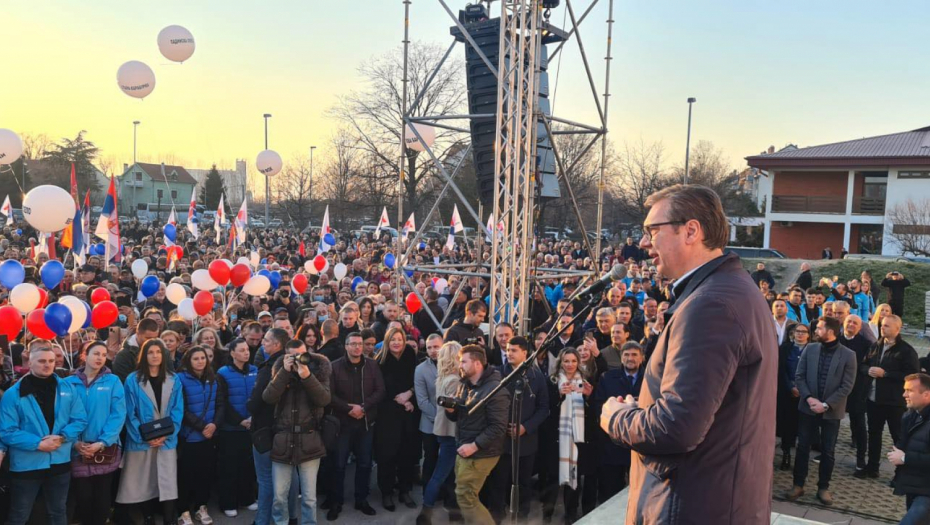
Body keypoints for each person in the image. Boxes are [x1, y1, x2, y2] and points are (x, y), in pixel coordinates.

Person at [600, 184, 777, 523]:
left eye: (653, 230)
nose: (644, 243)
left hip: (690, 505)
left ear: (691, 230)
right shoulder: (728, 291)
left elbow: (676, 427)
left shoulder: (711, 305)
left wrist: (616, 417)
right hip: (709, 498)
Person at [0, 346, 88, 525]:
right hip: (26, 465)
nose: (47, 365)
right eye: (41, 361)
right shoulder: (12, 394)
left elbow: (80, 420)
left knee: (58, 513)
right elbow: (6, 431)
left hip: (59, 462)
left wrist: (62, 437)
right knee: (19, 515)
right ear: (29, 362)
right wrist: (37, 444)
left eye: (51, 361)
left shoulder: (68, 389)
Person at [784, 317, 856, 505]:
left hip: (831, 411)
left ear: (831, 331)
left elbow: (847, 386)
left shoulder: (848, 355)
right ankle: (798, 484)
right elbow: (799, 377)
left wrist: (825, 405)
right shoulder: (810, 348)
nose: (815, 331)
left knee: (828, 450)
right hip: (808, 408)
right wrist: (809, 398)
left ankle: (823, 487)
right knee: (802, 447)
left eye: (819, 328)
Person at [261, 339, 332, 525]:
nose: (298, 359)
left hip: (309, 439)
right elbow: (268, 397)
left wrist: (307, 376)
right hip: (283, 439)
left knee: (309, 497)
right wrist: (284, 372)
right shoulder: (279, 370)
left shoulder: (318, 370)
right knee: (279, 496)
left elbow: (324, 399)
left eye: (301, 354)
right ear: (286, 355)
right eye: (293, 355)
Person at [117, 339, 184, 525]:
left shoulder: (174, 379)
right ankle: (148, 519)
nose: (155, 356)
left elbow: (178, 410)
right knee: (142, 482)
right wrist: (143, 437)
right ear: (144, 356)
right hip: (141, 440)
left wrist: (167, 434)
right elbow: (130, 413)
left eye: (158, 352)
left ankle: (169, 520)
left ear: (163, 355)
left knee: (168, 481)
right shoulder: (133, 379)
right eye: (150, 352)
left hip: (166, 440)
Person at [443, 345, 510, 525]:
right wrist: (451, 410)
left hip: (481, 452)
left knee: (466, 496)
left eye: (464, 361)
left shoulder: (495, 390)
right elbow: (460, 415)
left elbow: (498, 427)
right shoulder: (466, 384)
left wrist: (474, 446)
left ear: (478, 364)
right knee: (464, 494)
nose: (460, 365)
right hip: (464, 447)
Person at [486, 336, 549, 523]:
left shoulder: (536, 377)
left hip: (526, 442)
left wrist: (525, 427)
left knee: (523, 483)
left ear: (525, 353)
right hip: (501, 441)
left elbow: (544, 407)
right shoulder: (497, 374)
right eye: (507, 349)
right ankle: (497, 516)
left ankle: (521, 517)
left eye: (514, 350)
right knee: (499, 482)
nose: (509, 353)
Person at [66, 341, 127, 525]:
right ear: (85, 355)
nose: (100, 357)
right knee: (83, 498)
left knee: (102, 498)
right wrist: (74, 442)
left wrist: (103, 442)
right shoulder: (68, 383)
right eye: (96, 353)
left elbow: (118, 414)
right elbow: (62, 416)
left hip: (105, 447)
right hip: (78, 448)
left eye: (103, 354)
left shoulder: (113, 381)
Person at [327, 332, 385, 519]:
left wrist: (363, 407)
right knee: (339, 464)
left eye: (360, 344)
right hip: (342, 424)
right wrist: (347, 408)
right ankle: (336, 502)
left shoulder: (372, 365)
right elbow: (329, 394)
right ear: (346, 346)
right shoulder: (334, 367)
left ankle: (362, 500)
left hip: (365, 423)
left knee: (365, 463)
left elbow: (380, 390)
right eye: (353, 344)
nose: (357, 347)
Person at [246, 327, 297, 525]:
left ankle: (262, 520)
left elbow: (258, 401)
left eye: (266, 340)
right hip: (288, 430)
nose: (262, 343)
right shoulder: (292, 365)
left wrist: (249, 406)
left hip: (266, 431)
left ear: (276, 345)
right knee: (290, 479)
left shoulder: (269, 368)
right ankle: (291, 517)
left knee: (266, 479)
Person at [863, 315, 920, 478]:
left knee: (898, 437)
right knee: (874, 434)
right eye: (882, 325)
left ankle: (900, 473)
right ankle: (872, 467)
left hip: (895, 402)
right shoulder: (876, 345)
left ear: (897, 329)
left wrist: (886, 374)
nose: (883, 328)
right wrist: (867, 370)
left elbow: (912, 375)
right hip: (874, 399)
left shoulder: (906, 351)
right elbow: (863, 364)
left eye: (887, 326)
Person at [590, 342, 644, 502]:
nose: (630, 358)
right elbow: (598, 406)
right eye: (626, 355)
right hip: (613, 444)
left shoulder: (651, 379)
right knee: (610, 492)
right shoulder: (608, 378)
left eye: (634, 354)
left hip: (640, 445)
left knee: (639, 494)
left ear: (642, 357)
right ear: (621, 357)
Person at [375, 326, 421, 511]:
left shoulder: (411, 357)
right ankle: (386, 493)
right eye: (393, 339)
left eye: (399, 339)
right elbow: (380, 388)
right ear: (387, 341)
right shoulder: (380, 360)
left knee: (407, 453)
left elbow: (417, 383)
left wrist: (409, 395)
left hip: (409, 412)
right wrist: (401, 400)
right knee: (387, 454)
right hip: (387, 414)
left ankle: (405, 490)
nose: (396, 343)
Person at [417, 341, 463, 525]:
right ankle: (425, 513)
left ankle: (453, 513)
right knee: (440, 475)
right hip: (450, 433)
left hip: (443, 431)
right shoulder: (454, 380)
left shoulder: (443, 377)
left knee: (449, 475)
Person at [177, 347, 222, 525]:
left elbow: (220, 404)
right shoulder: (180, 379)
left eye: (203, 358)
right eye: (196, 358)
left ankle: (201, 507)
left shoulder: (213, 378)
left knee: (205, 474)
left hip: (209, 436)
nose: (200, 361)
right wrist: (202, 426)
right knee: (186, 475)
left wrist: (214, 425)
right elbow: (182, 408)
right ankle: (183, 511)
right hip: (189, 436)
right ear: (189, 360)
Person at [215, 338, 259, 517]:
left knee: (248, 466)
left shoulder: (255, 371)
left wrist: (252, 418)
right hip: (231, 429)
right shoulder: (223, 373)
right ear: (232, 353)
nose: (246, 353)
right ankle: (228, 502)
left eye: (247, 349)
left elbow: (259, 396)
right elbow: (222, 401)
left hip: (251, 427)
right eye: (241, 350)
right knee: (229, 467)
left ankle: (247, 498)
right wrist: (240, 420)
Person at [887, 373, 930, 524]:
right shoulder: (910, 415)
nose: (904, 394)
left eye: (910, 390)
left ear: (926, 394)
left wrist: (904, 458)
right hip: (914, 486)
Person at [839, 315, 873, 478]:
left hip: (857, 389)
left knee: (859, 424)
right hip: (835, 389)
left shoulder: (866, 344)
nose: (851, 324)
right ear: (843, 324)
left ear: (860, 327)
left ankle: (860, 460)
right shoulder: (836, 339)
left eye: (855, 323)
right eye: (849, 321)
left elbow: (868, 367)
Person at [415, 334, 443, 501]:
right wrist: (440, 418)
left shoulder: (455, 365)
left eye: (436, 346)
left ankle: (446, 494)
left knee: (447, 461)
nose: (433, 351)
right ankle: (428, 496)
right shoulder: (420, 369)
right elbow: (422, 400)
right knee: (430, 459)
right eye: (430, 347)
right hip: (429, 423)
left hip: (452, 423)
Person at [778, 323, 809, 471]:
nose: (800, 334)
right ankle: (786, 454)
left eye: (803, 332)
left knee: (803, 427)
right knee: (787, 426)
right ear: (793, 333)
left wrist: (803, 389)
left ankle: (802, 459)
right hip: (787, 393)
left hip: (806, 395)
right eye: (798, 331)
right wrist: (790, 387)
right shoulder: (785, 349)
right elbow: (780, 369)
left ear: (808, 335)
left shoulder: (813, 350)